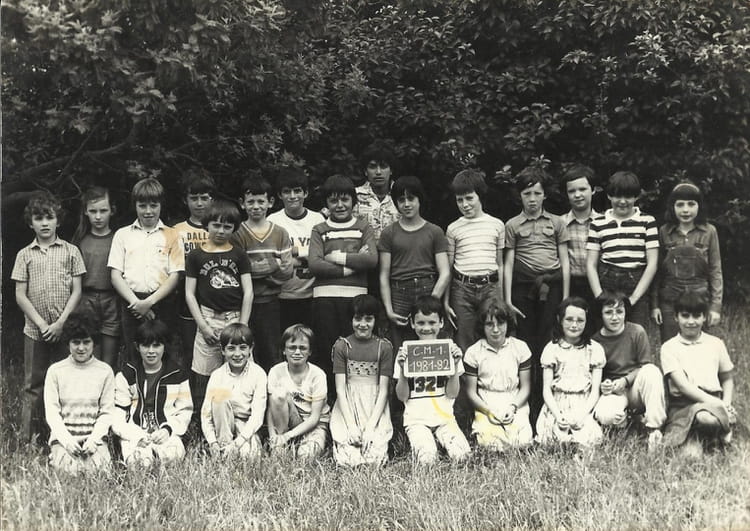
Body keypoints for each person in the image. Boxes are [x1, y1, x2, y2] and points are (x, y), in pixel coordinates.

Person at [12, 191, 86, 443]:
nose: (45, 223)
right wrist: (43, 324)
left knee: (66, 381)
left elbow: (77, 291)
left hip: (64, 330)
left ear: (58, 220)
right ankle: (30, 438)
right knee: (34, 384)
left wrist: (60, 323)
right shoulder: (24, 255)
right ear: (30, 222)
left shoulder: (71, 251)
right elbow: (20, 295)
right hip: (35, 331)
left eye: (49, 217)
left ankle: (64, 436)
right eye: (39, 218)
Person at [504, 166, 570, 421]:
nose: (532, 199)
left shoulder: (557, 223)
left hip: (551, 287)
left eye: (537, 193)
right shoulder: (512, 225)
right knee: (526, 341)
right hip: (523, 288)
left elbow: (564, 261)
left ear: (545, 195)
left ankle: (546, 398)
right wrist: (507, 299)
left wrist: (565, 299)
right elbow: (508, 263)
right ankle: (527, 400)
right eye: (527, 193)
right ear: (519, 196)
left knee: (547, 340)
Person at [308, 175, 378, 393]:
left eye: (345, 200)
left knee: (354, 347)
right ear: (326, 204)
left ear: (353, 202)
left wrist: (336, 257)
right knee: (327, 348)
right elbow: (315, 264)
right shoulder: (319, 229)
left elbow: (371, 260)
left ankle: (355, 395)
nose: (339, 205)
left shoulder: (363, 227)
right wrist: (352, 265)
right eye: (333, 200)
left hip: (356, 298)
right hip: (324, 298)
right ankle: (330, 398)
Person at [185, 199, 253, 420]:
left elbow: (248, 292)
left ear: (234, 228)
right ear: (206, 224)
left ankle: (240, 413)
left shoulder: (239, 254)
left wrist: (242, 325)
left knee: (239, 365)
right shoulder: (196, 256)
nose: (221, 231)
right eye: (216, 225)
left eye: (227, 226)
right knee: (204, 369)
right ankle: (203, 416)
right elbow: (189, 294)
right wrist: (203, 326)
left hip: (235, 318)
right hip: (207, 318)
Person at [108, 177, 185, 365]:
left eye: (153, 205)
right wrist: (136, 303)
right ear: (135, 205)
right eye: (142, 206)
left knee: (163, 353)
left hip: (162, 302)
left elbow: (175, 275)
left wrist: (149, 303)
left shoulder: (173, 235)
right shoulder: (123, 235)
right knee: (134, 353)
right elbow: (115, 275)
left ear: (161, 205)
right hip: (131, 303)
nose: (148, 211)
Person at [394, 296, 470, 464]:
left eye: (432, 322)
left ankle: (442, 440)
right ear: (412, 324)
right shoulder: (405, 352)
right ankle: (428, 443)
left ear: (441, 323)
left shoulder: (449, 351)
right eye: (420, 323)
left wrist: (455, 366)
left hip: (445, 419)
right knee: (427, 459)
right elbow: (402, 396)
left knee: (462, 456)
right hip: (416, 420)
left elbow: (452, 393)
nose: (426, 328)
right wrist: (403, 370)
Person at [378, 176, 451, 351]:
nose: (406, 204)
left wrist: (432, 300)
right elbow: (383, 275)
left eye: (411, 198)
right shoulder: (389, 233)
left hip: (428, 288)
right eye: (401, 200)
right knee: (400, 344)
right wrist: (389, 309)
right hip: (399, 292)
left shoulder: (434, 231)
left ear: (420, 200)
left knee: (431, 340)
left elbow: (445, 272)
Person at [660, 291, 735, 457]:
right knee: (691, 456)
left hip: (713, 402)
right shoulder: (669, 347)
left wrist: (726, 403)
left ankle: (712, 435)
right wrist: (719, 404)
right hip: (683, 407)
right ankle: (708, 438)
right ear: (676, 317)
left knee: (706, 418)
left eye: (696, 316)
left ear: (704, 317)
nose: (691, 321)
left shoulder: (716, 344)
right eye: (685, 316)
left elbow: (727, 378)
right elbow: (683, 386)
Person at [230, 175, 293, 372]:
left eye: (260, 201)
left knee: (271, 352)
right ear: (242, 204)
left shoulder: (280, 233)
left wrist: (258, 270)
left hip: (271, 303)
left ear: (270, 202)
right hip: (243, 304)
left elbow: (287, 271)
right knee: (243, 350)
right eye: (250, 202)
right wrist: (272, 265)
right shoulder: (237, 233)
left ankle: (271, 390)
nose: (256, 206)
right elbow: (239, 272)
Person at [113, 320, 193, 468]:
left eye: (156, 345)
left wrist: (168, 429)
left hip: (164, 432)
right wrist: (135, 435)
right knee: (138, 462)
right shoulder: (127, 375)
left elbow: (185, 411)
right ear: (137, 347)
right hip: (135, 432)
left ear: (165, 346)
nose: (151, 351)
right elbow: (118, 415)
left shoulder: (177, 374)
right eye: (145, 345)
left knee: (173, 456)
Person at [592, 291, 666, 451]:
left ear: (626, 312)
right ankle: (628, 422)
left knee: (652, 371)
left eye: (619, 312)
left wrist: (625, 380)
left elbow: (644, 365)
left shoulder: (636, 332)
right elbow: (596, 376)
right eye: (608, 312)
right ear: (600, 314)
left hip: (635, 388)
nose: (615, 317)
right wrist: (605, 385)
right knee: (606, 415)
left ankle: (654, 429)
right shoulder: (595, 341)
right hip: (615, 392)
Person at [44, 311, 114, 473]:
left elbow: (107, 412)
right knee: (70, 471)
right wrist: (67, 441)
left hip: (94, 440)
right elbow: (52, 413)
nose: (81, 348)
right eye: (76, 342)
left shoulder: (105, 371)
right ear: (68, 343)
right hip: (65, 439)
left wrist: (94, 440)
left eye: (86, 342)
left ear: (94, 342)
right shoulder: (55, 371)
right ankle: (57, 457)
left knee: (100, 472)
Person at [651, 181, 723, 342]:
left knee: (699, 346)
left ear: (699, 206)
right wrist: (655, 305)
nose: (685, 210)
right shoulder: (664, 231)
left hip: (699, 299)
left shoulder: (709, 232)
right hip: (670, 301)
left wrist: (715, 307)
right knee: (670, 345)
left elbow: (715, 270)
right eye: (680, 204)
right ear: (672, 207)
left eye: (691, 204)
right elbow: (657, 271)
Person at [586, 171, 658, 329]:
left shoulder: (647, 221)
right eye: (618, 196)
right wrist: (600, 296)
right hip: (607, 283)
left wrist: (634, 298)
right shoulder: (598, 223)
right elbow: (591, 264)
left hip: (636, 284)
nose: (623, 201)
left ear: (636, 197)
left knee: (637, 331)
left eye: (628, 196)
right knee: (606, 332)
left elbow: (652, 264)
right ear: (609, 196)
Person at [443, 169, 505, 353]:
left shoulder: (497, 225)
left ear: (480, 196)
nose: (465, 204)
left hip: (490, 287)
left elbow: (500, 264)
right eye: (459, 200)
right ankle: (466, 373)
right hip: (462, 289)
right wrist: (446, 301)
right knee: (464, 338)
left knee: (493, 334)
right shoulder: (453, 228)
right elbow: (448, 267)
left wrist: (501, 297)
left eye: (469, 198)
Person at [329, 295, 394, 466]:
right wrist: (351, 425)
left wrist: (371, 426)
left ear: (375, 320)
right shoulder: (342, 346)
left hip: (374, 404)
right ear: (351, 319)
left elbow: (384, 391)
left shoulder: (384, 347)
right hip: (349, 404)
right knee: (349, 458)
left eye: (368, 319)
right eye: (358, 318)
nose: (363, 324)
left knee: (375, 456)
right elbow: (340, 389)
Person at [463, 297, 533, 451]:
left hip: (514, 399)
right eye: (489, 324)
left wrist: (513, 407)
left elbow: (525, 387)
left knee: (522, 442)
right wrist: (488, 411)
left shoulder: (520, 348)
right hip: (486, 401)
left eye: (500, 323)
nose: (495, 330)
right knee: (489, 443)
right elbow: (471, 392)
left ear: (508, 323)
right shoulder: (473, 352)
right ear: (482, 326)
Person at [535, 297, 605, 447]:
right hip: (557, 403)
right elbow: (546, 390)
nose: (574, 325)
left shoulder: (594, 349)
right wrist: (558, 415)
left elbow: (595, 391)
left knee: (587, 438)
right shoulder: (552, 349)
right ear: (560, 320)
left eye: (580, 320)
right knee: (553, 438)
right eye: (569, 319)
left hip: (583, 404)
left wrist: (583, 415)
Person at [267, 167, 326, 330]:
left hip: (312, 295)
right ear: (280, 195)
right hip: (281, 296)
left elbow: (323, 255)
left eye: (297, 191)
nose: (292, 196)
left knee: (311, 340)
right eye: (287, 191)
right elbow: (271, 261)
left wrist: (295, 252)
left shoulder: (317, 219)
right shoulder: (273, 221)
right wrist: (305, 259)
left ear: (306, 193)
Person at [202, 323, 267, 460]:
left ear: (251, 349)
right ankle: (223, 447)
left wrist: (238, 443)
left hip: (246, 425)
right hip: (223, 425)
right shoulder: (217, 375)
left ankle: (233, 450)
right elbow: (206, 414)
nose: (237, 354)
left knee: (248, 456)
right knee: (219, 398)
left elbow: (257, 416)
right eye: (231, 348)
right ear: (223, 350)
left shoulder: (258, 374)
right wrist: (212, 442)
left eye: (243, 348)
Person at [72, 186, 120, 370]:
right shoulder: (80, 240)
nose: (98, 216)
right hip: (86, 300)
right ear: (85, 211)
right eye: (93, 211)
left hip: (112, 300)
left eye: (103, 211)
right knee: (88, 355)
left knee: (109, 361)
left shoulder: (118, 239)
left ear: (112, 210)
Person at [266, 324, 330, 461]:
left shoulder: (318, 375)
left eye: (303, 348)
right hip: (288, 420)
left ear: (310, 351)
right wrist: (274, 438)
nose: (297, 352)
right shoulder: (276, 371)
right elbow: (271, 409)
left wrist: (289, 436)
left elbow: (315, 418)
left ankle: (299, 442)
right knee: (278, 395)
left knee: (305, 457)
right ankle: (282, 445)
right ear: (284, 350)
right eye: (292, 347)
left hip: (313, 424)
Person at [172, 170, 215, 372]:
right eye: (194, 198)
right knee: (190, 351)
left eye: (204, 198)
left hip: (214, 298)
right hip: (187, 298)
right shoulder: (176, 231)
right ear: (185, 200)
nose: (199, 203)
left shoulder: (219, 228)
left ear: (212, 199)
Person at [560, 164, 599, 309]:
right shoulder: (560, 223)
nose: (577, 195)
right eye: (572, 191)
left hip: (598, 283)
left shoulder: (603, 222)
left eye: (582, 189)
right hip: (570, 284)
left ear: (593, 190)